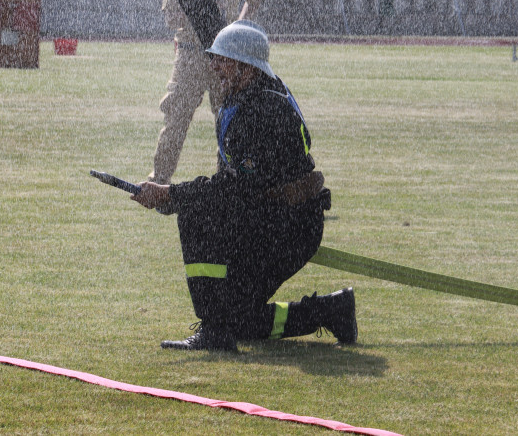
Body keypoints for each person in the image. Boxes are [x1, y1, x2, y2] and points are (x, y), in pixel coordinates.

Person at [131, 23, 357, 350]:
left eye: (222, 59)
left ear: (246, 66)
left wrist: (172, 195)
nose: (214, 67)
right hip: (270, 217)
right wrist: (176, 196)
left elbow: (234, 189)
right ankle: (329, 311)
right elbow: (234, 186)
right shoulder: (245, 95)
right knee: (239, 318)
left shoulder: (259, 111)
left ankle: (215, 329)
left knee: (195, 214)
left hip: (288, 227)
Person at [148, 0, 262, 184]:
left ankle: (230, 177)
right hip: (191, 55)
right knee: (177, 116)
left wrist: (238, 24)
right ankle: (160, 177)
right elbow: (171, 18)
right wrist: (202, 15)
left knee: (230, 119)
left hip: (225, 58)